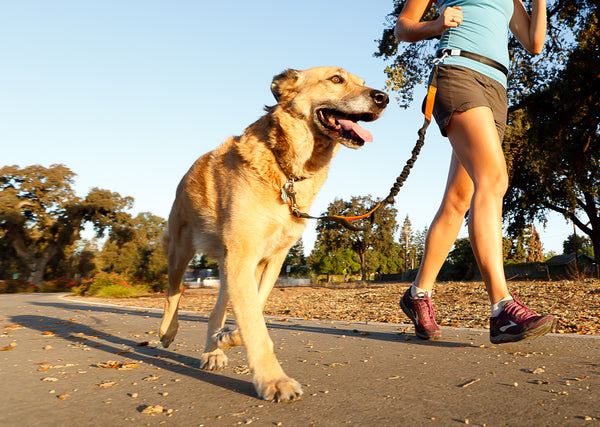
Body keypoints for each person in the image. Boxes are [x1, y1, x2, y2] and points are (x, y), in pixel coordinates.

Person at [394, 0, 556, 344]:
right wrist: (435, 25)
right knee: (493, 179)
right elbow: (403, 27)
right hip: (458, 71)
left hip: (497, 88)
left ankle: (418, 294)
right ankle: (502, 309)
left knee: (458, 199)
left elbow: (534, 43)